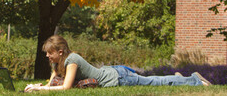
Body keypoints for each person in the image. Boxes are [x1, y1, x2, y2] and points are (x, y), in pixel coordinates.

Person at [24, 35, 212, 92]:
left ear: (60, 52)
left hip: (117, 78)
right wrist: (36, 86)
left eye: (50, 53)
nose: (47, 56)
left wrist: (40, 90)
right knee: (151, 80)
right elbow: (51, 84)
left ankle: (194, 79)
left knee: (153, 82)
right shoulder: (57, 63)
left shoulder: (72, 60)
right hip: (113, 71)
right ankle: (179, 78)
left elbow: (65, 88)